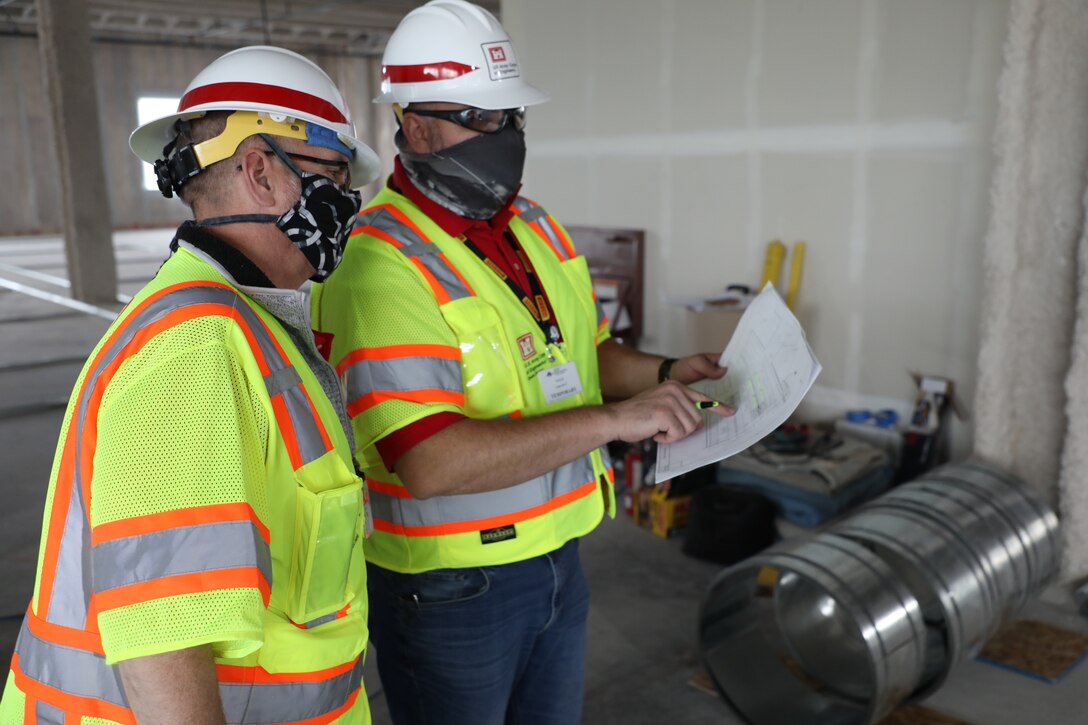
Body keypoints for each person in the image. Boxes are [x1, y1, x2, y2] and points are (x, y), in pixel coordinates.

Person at [310, 2, 733, 723]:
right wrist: (613, 422)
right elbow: (431, 461)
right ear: (414, 126)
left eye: (510, 118)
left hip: (558, 559)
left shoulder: (530, 224)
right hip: (453, 590)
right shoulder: (379, 264)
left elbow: (585, 354)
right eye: (479, 118)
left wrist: (663, 375)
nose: (501, 137)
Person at [0, 46, 381, 724]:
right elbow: (163, 642)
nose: (350, 203)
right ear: (262, 171)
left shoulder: (246, 325)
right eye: (337, 176)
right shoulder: (195, 348)